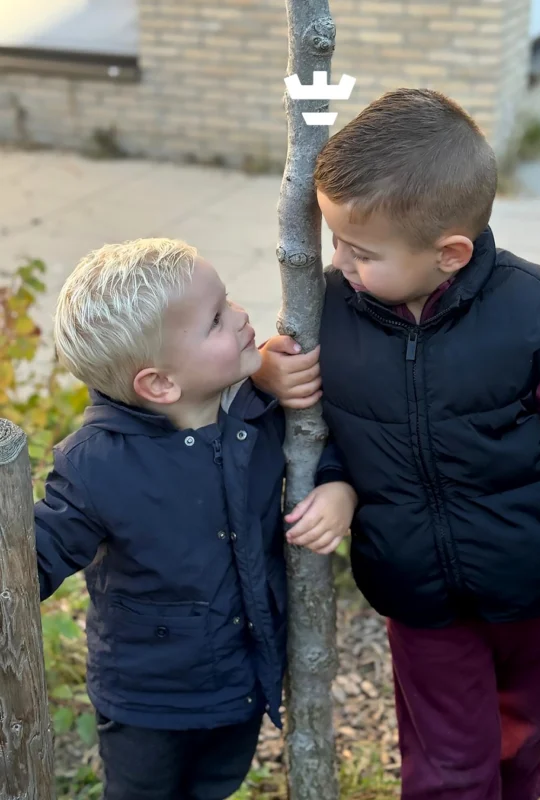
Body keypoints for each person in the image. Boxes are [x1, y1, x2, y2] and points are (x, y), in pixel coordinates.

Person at [253, 89, 540, 800]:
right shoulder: (333, 314)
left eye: (359, 251)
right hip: (421, 594)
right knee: (448, 767)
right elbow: (331, 427)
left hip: (534, 580)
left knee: (521, 742)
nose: (335, 262)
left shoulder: (525, 313)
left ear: (450, 253)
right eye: (335, 240)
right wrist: (265, 376)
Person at [35, 238, 357, 800]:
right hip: (148, 699)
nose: (240, 316)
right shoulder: (96, 466)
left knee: (218, 784)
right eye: (215, 320)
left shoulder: (255, 417)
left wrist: (337, 486)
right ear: (159, 383)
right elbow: (33, 558)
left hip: (243, 676)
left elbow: (319, 447)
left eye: (227, 300)